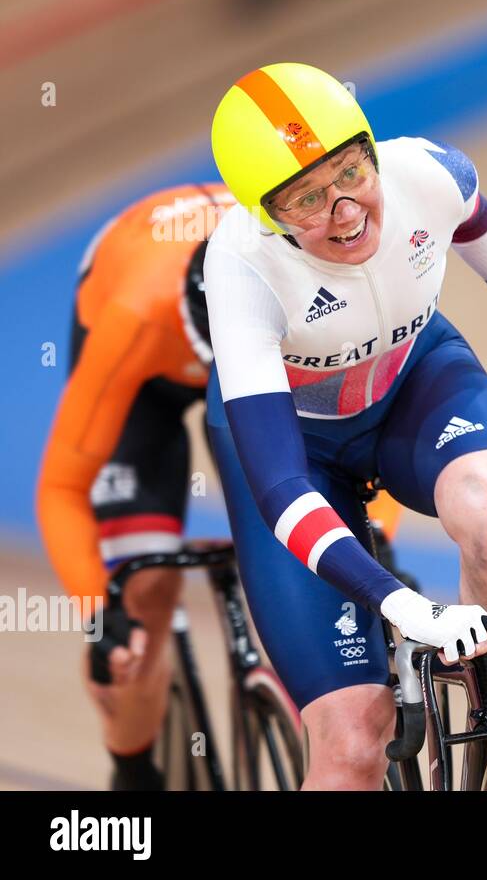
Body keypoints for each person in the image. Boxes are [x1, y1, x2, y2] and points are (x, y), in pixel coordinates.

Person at [203, 62, 487, 790]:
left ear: (371, 149)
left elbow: (476, 222)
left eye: (349, 172)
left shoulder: (424, 173)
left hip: (413, 384)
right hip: (299, 449)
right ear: (267, 215)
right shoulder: (241, 266)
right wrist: (405, 606)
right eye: (307, 198)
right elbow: (279, 487)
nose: (344, 209)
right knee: (352, 743)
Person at [34, 183, 408, 790]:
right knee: (143, 597)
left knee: (312, 554)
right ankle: (132, 775)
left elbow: (368, 426)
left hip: (270, 363)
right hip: (144, 365)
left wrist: (376, 544)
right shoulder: (133, 316)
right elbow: (62, 488)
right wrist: (100, 613)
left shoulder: (307, 292)